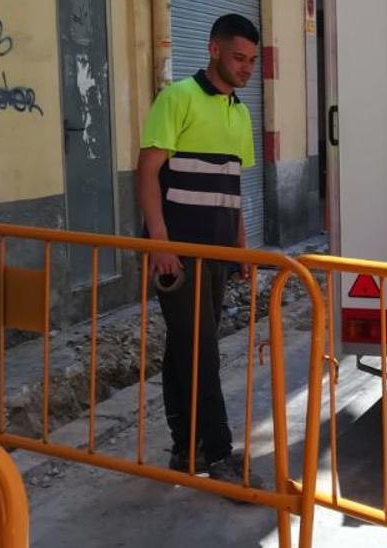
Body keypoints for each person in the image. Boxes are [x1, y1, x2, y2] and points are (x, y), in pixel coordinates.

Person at [135, 14, 259, 482]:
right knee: (202, 349)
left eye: (251, 61)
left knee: (184, 348)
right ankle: (220, 453)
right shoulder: (177, 98)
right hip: (179, 254)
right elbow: (147, 173)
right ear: (213, 50)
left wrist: (243, 247)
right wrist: (160, 245)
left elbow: (233, 187)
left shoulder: (242, 111)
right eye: (238, 58)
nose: (246, 68)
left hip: (222, 254)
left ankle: (184, 450)